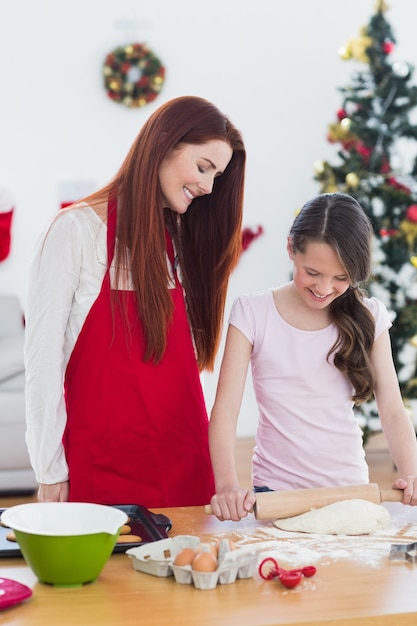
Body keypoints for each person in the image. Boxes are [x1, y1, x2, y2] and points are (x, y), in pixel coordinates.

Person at [24, 95, 246, 508]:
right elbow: (42, 364)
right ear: (164, 143)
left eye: (217, 175)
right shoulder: (76, 231)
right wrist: (50, 470)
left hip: (185, 469)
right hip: (103, 472)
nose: (209, 186)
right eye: (203, 167)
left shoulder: (181, 242)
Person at [209, 192, 417, 521]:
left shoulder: (369, 315)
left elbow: (391, 408)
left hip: (350, 493)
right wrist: (227, 485)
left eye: (341, 278)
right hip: (275, 495)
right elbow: (225, 409)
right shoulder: (252, 312)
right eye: (313, 272)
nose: (324, 288)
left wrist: (412, 471)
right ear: (291, 248)